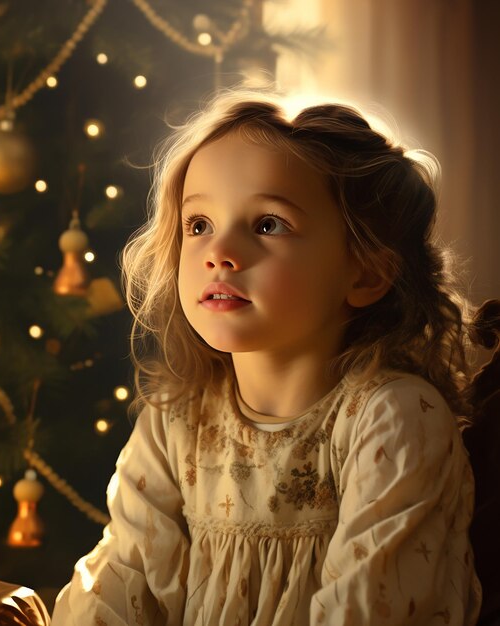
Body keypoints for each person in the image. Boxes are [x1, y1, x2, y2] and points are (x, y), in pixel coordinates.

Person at [51, 87, 482, 625]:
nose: (218, 254)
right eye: (199, 225)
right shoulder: (173, 422)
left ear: (366, 272)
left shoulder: (393, 419)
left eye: (268, 224)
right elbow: (121, 581)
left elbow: (368, 609)